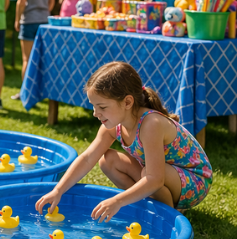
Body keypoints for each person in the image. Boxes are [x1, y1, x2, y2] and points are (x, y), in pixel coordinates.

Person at [36, 61, 213, 222]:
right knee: (108, 160)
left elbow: (155, 179)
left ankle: (167, 216)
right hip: (159, 174)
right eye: (94, 106)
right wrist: (58, 190)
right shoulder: (114, 124)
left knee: (148, 176)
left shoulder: (151, 124)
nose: (95, 113)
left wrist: (117, 200)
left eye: (102, 107)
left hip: (194, 181)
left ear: (127, 102)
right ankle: (144, 204)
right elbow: (88, 158)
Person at [11, 0, 56, 100]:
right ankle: (40, 92)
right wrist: (44, 12)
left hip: (28, 21)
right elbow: (52, 1)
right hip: (44, 22)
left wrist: (17, 19)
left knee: (26, 60)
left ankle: (26, 93)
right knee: (40, 60)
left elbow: (21, 1)